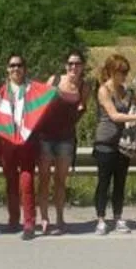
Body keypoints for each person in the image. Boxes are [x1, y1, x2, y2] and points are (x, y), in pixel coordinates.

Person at [93, 54, 136, 236]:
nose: (123, 75)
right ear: (111, 71)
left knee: (120, 181)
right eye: (120, 72)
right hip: (105, 142)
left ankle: (118, 216)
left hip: (124, 143)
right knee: (104, 181)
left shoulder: (126, 91)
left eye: (125, 72)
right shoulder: (103, 90)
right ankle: (101, 218)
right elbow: (114, 116)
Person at [37, 50, 90, 235]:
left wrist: (79, 110)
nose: (73, 67)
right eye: (70, 63)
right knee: (44, 179)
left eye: (77, 63)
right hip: (45, 136)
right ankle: (44, 218)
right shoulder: (54, 80)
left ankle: (60, 218)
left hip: (66, 138)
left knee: (60, 180)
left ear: (82, 66)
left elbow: (82, 108)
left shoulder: (84, 86)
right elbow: (39, 104)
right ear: (65, 65)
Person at [0, 54, 46, 240]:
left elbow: (46, 101)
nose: (15, 68)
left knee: (26, 181)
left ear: (24, 68)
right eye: (12, 65)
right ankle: (13, 219)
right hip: (7, 141)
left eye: (19, 65)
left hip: (27, 140)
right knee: (10, 181)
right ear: (7, 69)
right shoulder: (1, 90)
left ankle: (29, 223)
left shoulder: (33, 88)